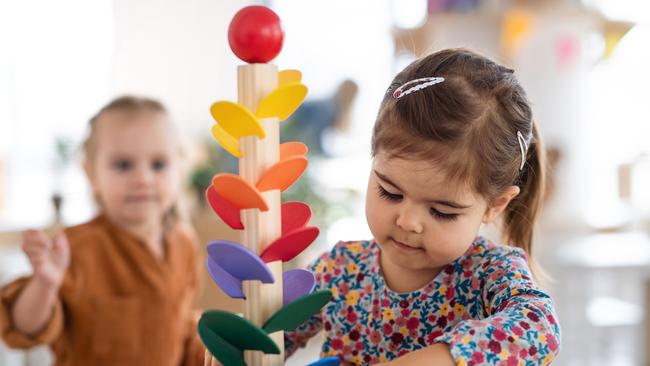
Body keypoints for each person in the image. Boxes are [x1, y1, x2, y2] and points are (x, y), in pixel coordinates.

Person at [285, 49, 561, 365]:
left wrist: (441, 358)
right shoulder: (338, 271)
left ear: (494, 206)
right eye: (390, 192)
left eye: (441, 211)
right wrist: (235, 342)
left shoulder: (490, 273)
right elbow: (271, 332)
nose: (407, 221)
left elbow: (541, 331)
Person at [0, 96, 205, 366]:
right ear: (91, 174)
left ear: (179, 170)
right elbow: (23, 326)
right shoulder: (74, 249)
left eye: (158, 164)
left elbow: (182, 328)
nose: (143, 178)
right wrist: (45, 283)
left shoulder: (184, 244)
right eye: (123, 165)